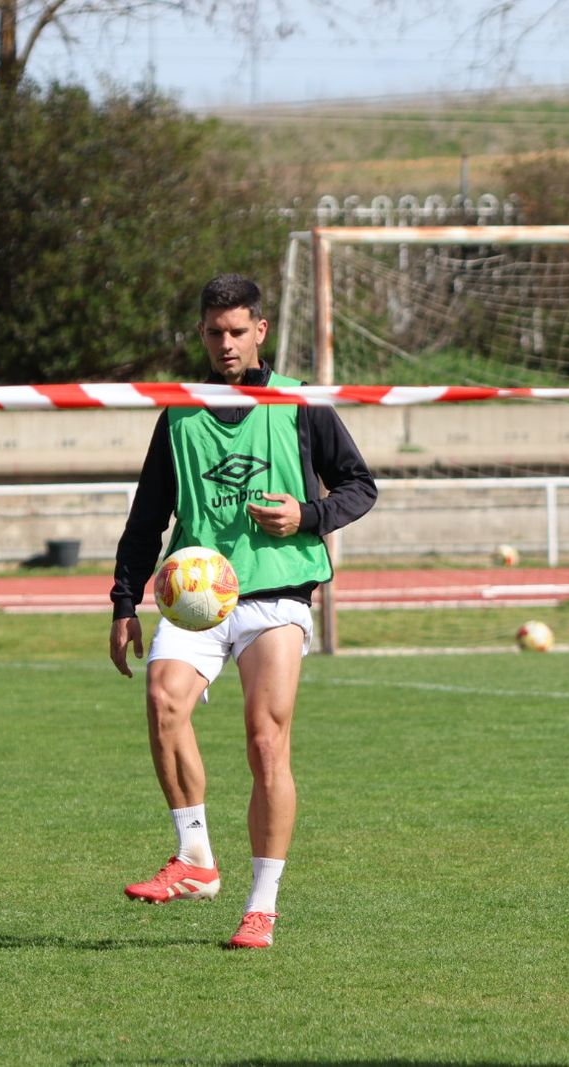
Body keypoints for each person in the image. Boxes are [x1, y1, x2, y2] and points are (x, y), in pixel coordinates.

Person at [108, 273, 376, 949]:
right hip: (196, 600)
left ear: (260, 331)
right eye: (212, 333)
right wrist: (123, 600)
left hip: (277, 593)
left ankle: (263, 905)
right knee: (163, 697)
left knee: (265, 740)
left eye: (236, 332)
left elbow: (360, 485)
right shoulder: (178, 413)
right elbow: (146, 519)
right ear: (200, 334)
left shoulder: (298, 405)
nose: (225, 344)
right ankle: (195, 857)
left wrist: (308, 515)